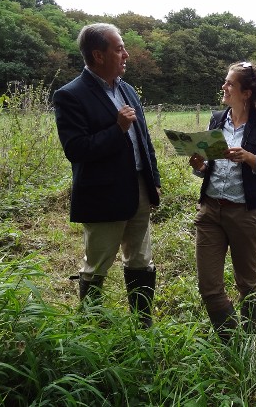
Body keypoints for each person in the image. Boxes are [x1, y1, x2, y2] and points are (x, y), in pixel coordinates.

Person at [53, 23, 161, 328]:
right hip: (102, 195)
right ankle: (90, 326)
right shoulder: (70, 95)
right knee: (98, 264)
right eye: (119, 48)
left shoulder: (126, 89)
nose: (126, 54)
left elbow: (143, 139)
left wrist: (153, 181)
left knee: (141, 259)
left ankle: (143, 324)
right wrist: (116, 130)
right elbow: (76, 149)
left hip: (138, 188)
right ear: (98, 55)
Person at [188, 61, 256, 341]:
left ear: (246, 93)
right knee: (209, 286)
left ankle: (250, 340)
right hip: (210, 211)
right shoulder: (216, 120)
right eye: (225, 81)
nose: (224, 87)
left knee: (247, 284)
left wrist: (249, 157)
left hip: (245, 215)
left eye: (230, 83)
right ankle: (234, 342)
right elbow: (203, 169)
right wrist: (198, 164)